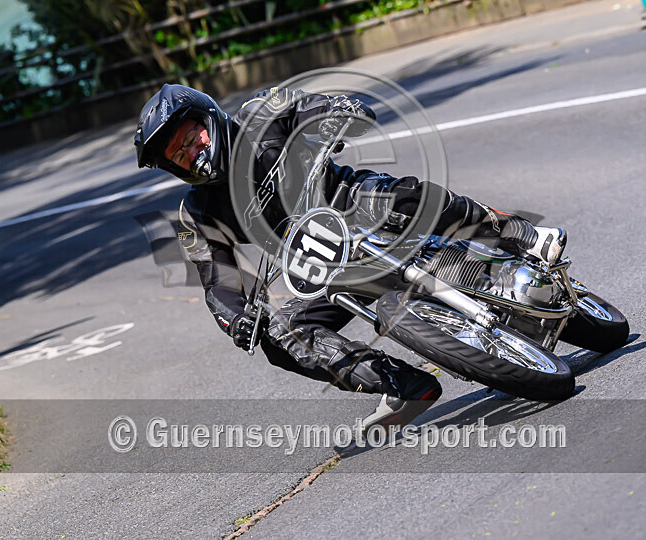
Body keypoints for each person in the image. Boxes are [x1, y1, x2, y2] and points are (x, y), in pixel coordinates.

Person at [134, 84, 567, 433]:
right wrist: (238, 319)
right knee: (283, 335)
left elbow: (314, 108)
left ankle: (515, 233)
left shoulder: (259, 114)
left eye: (192, 139)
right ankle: (401, 384)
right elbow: (217, 281)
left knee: (400, 198)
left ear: (208, 119)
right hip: (321, 264)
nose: (192, 154)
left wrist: (339, 113)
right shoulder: (196, 213)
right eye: (179, 155)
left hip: (353, 202)